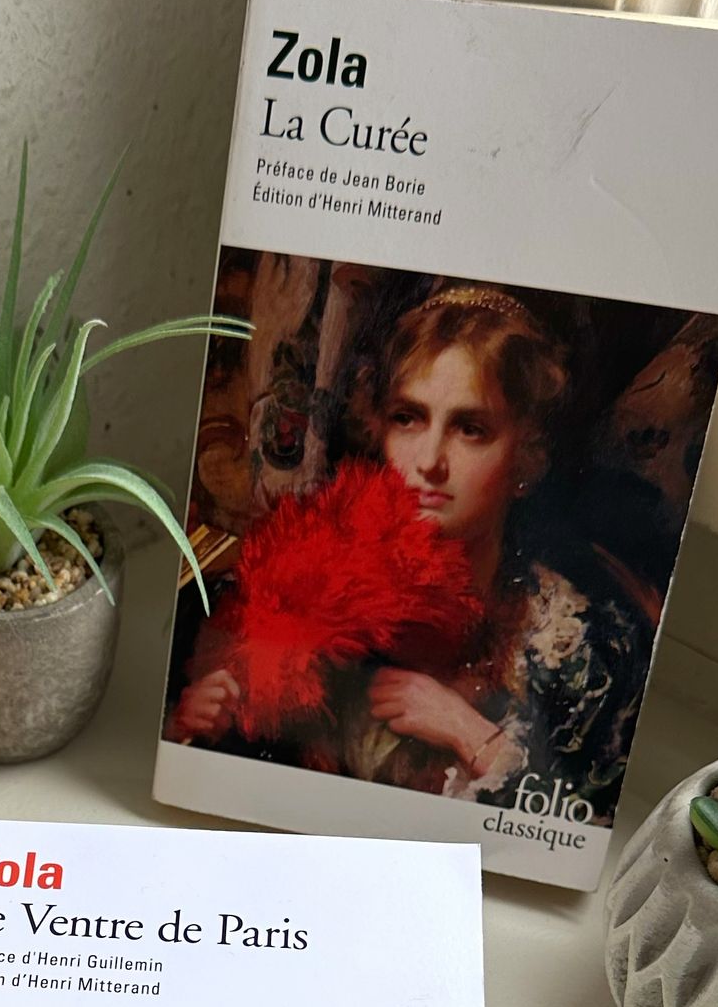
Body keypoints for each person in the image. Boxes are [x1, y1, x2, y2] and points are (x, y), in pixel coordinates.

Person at [167, 283, 654, 818]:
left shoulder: (584, 645)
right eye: (408, 418)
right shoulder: (317, 591)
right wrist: (204, 730)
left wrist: (471, 734)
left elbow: (581, 829)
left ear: (526, 455)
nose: (430, 461)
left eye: (471, 429)